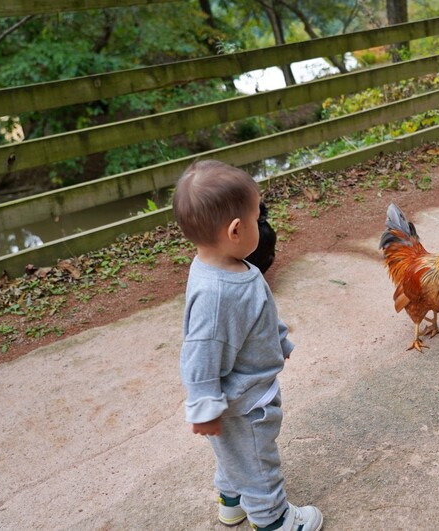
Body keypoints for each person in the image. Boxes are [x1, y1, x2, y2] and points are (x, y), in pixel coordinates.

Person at [172, 159, 323, 531]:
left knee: (234, 454)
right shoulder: (215, 294)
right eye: (258, 218)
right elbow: (199, 353)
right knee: (257, 459)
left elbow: (260, 314)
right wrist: (204, 405)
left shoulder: (229, 265)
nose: (263, 225)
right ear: (236, 230)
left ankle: (232, 504)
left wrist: (279, 339)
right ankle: (274, 520)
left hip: (241, 394)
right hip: (245, 401)